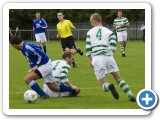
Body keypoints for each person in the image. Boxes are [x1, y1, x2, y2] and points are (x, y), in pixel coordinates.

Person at [86, 13, 136, 102]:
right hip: (109, 57)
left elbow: (88, 49)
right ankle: (130, 95)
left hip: (97, 58)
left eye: (91, 21)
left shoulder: (90, 32)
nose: (90, 23)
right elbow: (113, 46)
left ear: (94, 21)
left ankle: (109, 86)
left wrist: (90, 61)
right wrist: (109, 54)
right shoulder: (109, 31)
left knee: (102, 84)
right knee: (118, 78)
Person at [10, 36, 79, 98]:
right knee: (54, 88)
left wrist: (37, 65)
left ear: (14, 45)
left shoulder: (27, 47)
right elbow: (32, 59)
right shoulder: (23, 49)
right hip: (44, 65)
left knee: (27, 79)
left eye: (13, 46)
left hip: (45, 65)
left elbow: (41, 54)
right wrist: (32, 68)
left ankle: (43, 95)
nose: (14, 48)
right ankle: (74, 90)